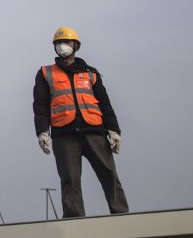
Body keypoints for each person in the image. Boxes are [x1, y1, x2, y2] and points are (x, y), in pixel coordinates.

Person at [34, 26, 130, 218]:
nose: (62, 47)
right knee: (70, 180)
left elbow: (105, 103)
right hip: (64, 135)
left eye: (66, 42)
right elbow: (40, 106)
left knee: (109, 175)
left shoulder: (91, 73)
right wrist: (42, 132)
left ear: (76, 45)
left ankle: (121, 216)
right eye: (58, 43)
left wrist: (114, 130)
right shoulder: (46, 73)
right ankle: (74, 221)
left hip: (94, 131)